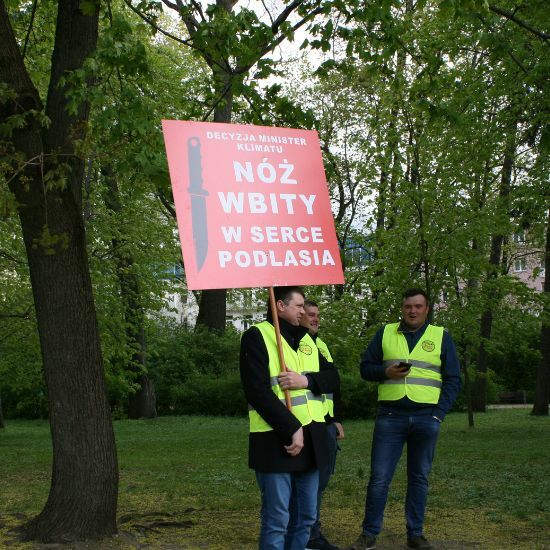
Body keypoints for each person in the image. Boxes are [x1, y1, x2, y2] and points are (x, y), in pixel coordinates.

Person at [349, 288, 461, 550]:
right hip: (391, 416)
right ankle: (369, 534)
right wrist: (384, 371)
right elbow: (365, 368)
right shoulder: (385, 332)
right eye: (408, 306)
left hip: (426, 417)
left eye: (418, 306)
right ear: (402, 308)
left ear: (427, 309)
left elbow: (454, 379)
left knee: (419, 477)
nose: (412, 311)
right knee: (379, 478)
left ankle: (415, 534)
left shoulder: (441, 336)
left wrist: (439, 414)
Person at [240, 286, 340, 550]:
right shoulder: (257, 336)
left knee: (306, 518)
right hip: (276, 438)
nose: (304, 311)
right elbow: (257, 391)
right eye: (299, 306)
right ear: (280, 306)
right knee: (277, 519)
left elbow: (333, 378)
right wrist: (291, 426)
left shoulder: (307, 340)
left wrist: (305, 380)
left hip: (313, 438)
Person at [300, 300, 344, 550]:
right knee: (308, 482)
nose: (315, 319)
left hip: (325, 422)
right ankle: (308, 534)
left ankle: (311, 531)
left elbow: (334, 384)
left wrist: (336, 418)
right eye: (310, 314)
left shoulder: (321, 345)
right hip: (305, 423)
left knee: (320, 482)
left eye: (317, 315)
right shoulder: (295, 346)